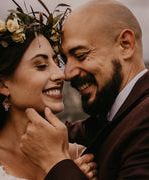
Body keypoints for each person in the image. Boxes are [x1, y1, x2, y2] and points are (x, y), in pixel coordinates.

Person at [20, 0, 149, 179]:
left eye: (81, 55)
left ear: (125, 45)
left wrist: (56, 162)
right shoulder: (113, 113)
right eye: (65, 60)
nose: (67, 73)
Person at [0, 0, 98, 179]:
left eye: (56, 62)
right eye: (41, 65)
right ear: (1, 84)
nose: (60, 75)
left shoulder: (80, 155)